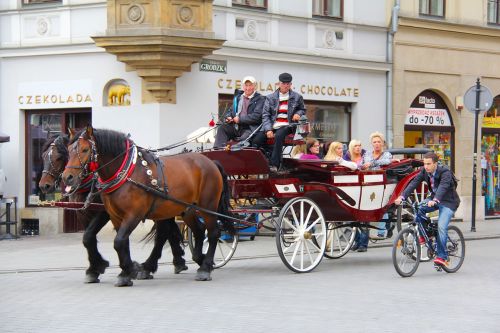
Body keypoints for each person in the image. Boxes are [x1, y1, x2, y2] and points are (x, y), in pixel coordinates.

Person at [395, 152, 460, 267]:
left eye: (429, 164)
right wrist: (402, 196)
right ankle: (427, 234)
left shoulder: (445, 172)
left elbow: (443, 187)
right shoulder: (424, 171)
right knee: (419, 208)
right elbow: (414, 183)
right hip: (433, 199)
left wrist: (435, 200)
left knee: (441, 226)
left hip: (449, 202)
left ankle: (442, 257)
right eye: (424, 164)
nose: (426, 166)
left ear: (435, 163)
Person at [253, 72, 306, 172]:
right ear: (279, 84)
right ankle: (262, 163)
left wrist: (298, 113)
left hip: (288, 125)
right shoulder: (270, 97)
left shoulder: (297, 97)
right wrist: (268, 129)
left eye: (288, 84)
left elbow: (303, 109)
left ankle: (274, 165)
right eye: (283, 83)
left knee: (279, 135)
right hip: (273, 125)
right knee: (256, 140)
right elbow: (265, 115)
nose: (286, 86)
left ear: (291, 84)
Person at [214, 76, 265, 148]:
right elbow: (231, 111)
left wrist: (239, 119)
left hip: (249, 128)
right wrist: (228, 117)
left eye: (250, 85)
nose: (248, 88)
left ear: (255, 86)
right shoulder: (238, 98)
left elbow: (256, 117)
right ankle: (218, 151)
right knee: (222, 128)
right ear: (243, 86)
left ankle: (236, 157)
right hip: (236, 127)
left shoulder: (261, 99)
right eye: (246, 85)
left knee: (243, 140)